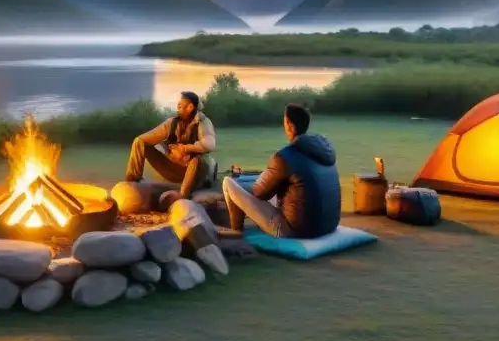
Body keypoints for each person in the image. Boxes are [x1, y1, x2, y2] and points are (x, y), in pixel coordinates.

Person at [221, 103, 340, 239]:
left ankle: (236, 232)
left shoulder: (284, 157)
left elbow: (259, 192)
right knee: (271, 181)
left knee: (228, 183)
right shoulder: (322, 151)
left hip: (294, 231)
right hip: (328, 225)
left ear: (290, 125)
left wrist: (245, 184)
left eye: (284, 121)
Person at [125, 91, 217, 198]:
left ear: (190, 107)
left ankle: (183, 195)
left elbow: (209, 145)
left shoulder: (203, 123)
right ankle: (132, 182)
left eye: (180, 106)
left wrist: (185, 148)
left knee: (198, 160)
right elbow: (142, 140)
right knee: (140, 142)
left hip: (195, 170)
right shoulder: (172, 123)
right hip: (173, 168)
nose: (177, 108)